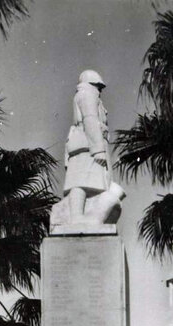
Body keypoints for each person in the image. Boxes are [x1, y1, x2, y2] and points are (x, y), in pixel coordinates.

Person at [51, 69, 125, 229]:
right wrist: (97, 149)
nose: (100, 90)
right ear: (92, 84)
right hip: (87, 145)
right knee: (80, 180)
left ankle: (86, 215)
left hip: (90, 143)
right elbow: (90, 120)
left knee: (91, 181)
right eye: (99, 86)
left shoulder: (88, 95)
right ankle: (77, 217)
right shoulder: (87, 94)